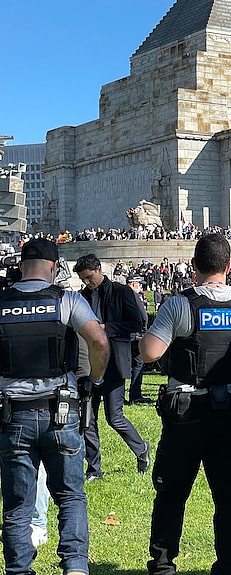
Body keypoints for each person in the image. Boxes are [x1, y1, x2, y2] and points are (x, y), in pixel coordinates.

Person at [139, 234, 231, 575]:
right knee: (229, 494)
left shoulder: (179, 305)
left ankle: (163, 564)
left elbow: (150, 352)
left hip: (187, 412)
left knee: (172, 493)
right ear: (229, 267)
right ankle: (229, 564)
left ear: (194, 265)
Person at [0, 238, 110, 575]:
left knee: (18, 505)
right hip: (60, 413)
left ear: (21, 266)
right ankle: (75, 566)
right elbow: (99, 340)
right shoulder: (66, 300)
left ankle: (19, 570)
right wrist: (95, 376)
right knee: (70, 495)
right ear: (53, 267)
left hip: (12, 413)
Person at [74, 253, 149, 480]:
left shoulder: (122, 292)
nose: (87, 282)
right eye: (83, 279)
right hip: (88, 363)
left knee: (114, 417)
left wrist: (107, 328)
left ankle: (141, 448)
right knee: (88, 419)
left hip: (114, 363)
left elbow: (138, 322)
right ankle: (94, 469)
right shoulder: (81, 297)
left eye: (89, 277)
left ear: (98, 270)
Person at [127, 274, 153, 404]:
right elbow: (144, 317)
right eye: (139, 284)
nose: (141, 286)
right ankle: (135, 395)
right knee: (138, 364)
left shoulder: (121, 295)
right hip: (136, 335)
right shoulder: (134, 296)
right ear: (133, 283)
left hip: (125, 335)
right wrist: (144, 330)